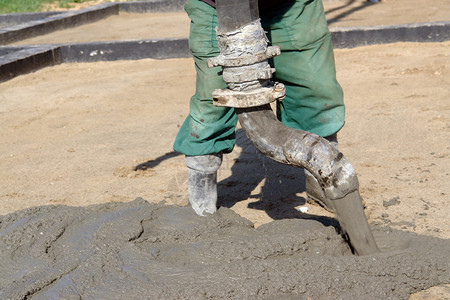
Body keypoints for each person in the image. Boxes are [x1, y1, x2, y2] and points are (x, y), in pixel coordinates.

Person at [173, 0, 345, 216]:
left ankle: (326, 186)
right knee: (212, 102)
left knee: (314, 88)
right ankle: (201, 199)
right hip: (213, 7)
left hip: (290, 6)